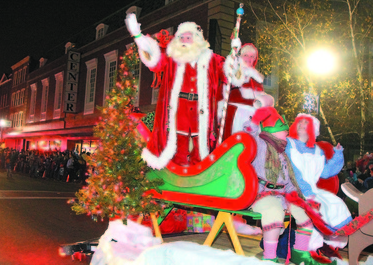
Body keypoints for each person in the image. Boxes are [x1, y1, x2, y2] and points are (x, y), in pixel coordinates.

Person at [125, 13, 227, 168]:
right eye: (182, 37)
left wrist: (234, 59)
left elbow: (228, 72)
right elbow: (154, 59)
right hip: (179, 108)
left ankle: (200, 169)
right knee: (179, 141)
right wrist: (138, 36)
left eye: (189, 37)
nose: (185, 41)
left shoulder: (211, 59)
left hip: (201, 110)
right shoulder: (172, 58)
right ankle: (179, 172)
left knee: (201, 143)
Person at [244, 107, 312, 262]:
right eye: (285, 132)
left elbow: (287, 182)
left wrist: (295, 196)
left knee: (305, 212)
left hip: (282, 196)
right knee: (274, 213)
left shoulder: (283, 154)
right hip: (261, 195)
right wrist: (254, 121)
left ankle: (300, 253)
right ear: (272, 132)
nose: (287, 136)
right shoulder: (260, 145)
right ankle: (269, 258)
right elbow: (249, 134)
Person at [285, 113, 352, 264]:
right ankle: (306, 252)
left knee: (336, 204)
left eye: (306, 123)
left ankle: (318, 249)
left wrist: (338, 155)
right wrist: (305, 191)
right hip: (292, 189)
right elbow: (291, 171)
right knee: (317, 209)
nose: (302, 125)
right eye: (300, 122)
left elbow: (327, 172)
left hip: (311, 191)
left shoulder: (317, 150)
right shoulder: (288, 144)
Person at [220, 43, 274, 141]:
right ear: (240, 56)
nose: (249, 58)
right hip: (237, 116)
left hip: (253, 118)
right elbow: (228, 88)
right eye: (246, 55)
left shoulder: (257, 78)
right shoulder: (234, 70)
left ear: (255, 59)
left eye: (252, 56)